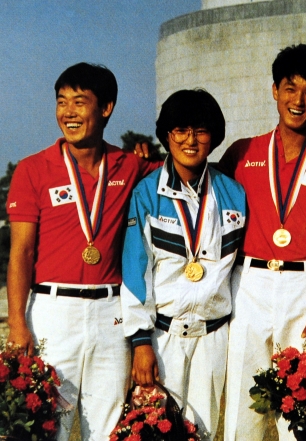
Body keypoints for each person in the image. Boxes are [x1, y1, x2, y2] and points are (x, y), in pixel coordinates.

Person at [5, 63, 158, 441]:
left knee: (108, 427)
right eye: (61, 102)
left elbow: (187, 167)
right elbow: (21, 252)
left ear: (105, 108)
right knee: (46, 425)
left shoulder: (130, 165)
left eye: (79, 102)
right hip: (53, 314)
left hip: (111, 315)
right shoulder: (32, 169)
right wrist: (17, 324)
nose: (68, 112)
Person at [217, 44, 306, 441]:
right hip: (251, 284)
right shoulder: (243, 152)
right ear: (274, 90)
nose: (298, 100)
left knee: (302, 409)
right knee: (246, 409)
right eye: (290, 88)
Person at [120, 89, 245, 439]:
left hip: (214, 336)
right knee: (156, 433)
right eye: (181, 130)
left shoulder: (235, 194)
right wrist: (141, 342)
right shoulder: (146, 193)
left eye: (201, 130)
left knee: (202, 433)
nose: (191, 140)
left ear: (214, 136)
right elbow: (134, 271)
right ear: (167, 135)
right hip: (163, 338)